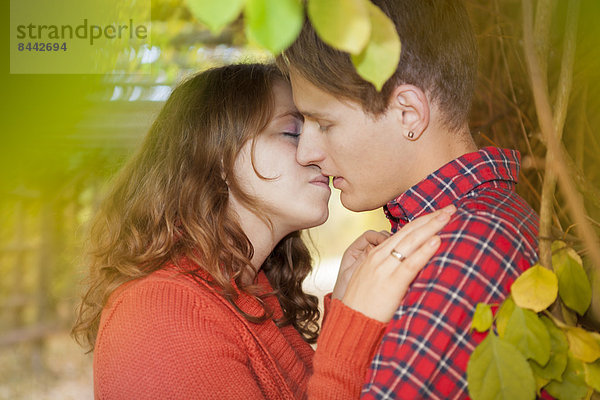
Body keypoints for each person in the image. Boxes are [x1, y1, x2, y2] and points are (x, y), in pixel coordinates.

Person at [71, 63, 456, 399]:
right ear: (216, 153)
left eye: (321, 129)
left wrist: (342, 310)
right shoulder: (161, 314)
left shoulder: (250, 292)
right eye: (292, 133)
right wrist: (353, 328)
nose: (315, 153)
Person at [277, 0, 539, 398]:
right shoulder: (467, 226)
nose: (305, 152)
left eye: (324, 123)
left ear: (408, 114)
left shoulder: (458, 254)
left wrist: (347, 336)